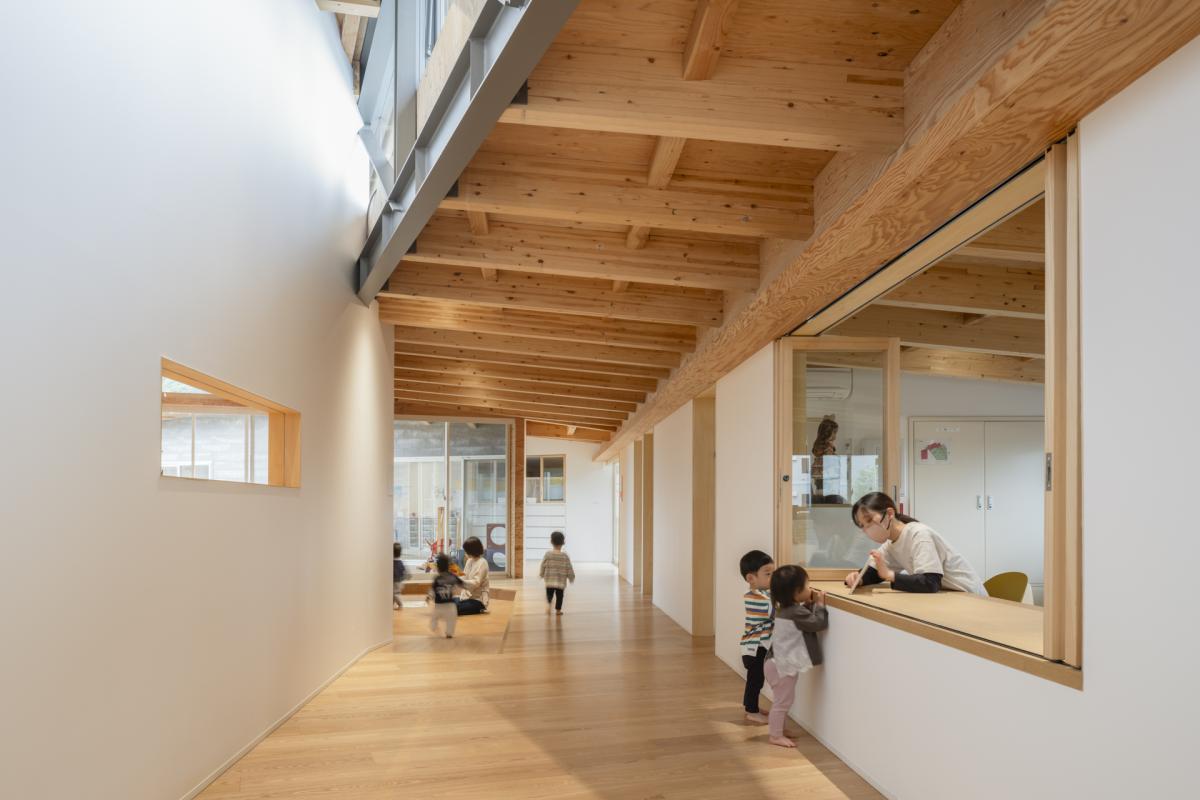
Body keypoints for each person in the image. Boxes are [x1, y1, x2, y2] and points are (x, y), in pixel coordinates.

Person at [844, 492, 986, 595]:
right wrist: (857, 578)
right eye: (862, 526)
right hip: (948, 596)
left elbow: (930, 582)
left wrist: (889, 575)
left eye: (869, 521)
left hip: (970, 596)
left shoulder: (919, 534)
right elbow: (874, 573)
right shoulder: (891, 544)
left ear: (889, 514)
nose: (866, 529)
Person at [764, 565, 828, 748]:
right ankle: (775, 736)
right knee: (783, 702)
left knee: (782, 700)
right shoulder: (795, 612)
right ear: (796, 592)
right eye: (807, 585)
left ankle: (780, 730)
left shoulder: (784, 609)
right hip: (781, 666)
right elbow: (818, 623)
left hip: (774, 663)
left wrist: (808, 605)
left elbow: (802, 618)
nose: (810, 588)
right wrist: (820, 605)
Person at [738, 550, 775, 724]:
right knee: (755, 680)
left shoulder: (763, 593)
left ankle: (751, 706)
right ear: (751, 578)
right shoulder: (756, 597)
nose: (773, 577)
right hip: (755, 648)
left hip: (757, 646)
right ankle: (751, 711)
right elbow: (775, 611)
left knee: (755, 679)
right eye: (768, 574)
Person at [539, 530, 576, 615]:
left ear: (551, 542)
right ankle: (558, 611)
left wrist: (541, 574)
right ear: (563, 542)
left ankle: (549, 605)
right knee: (560, 596)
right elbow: (569, 568)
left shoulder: (548, 554)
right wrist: (571, 577)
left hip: (549, 581)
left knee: (549, 594)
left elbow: (543, 565)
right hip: (560, 582)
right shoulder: (565, 556)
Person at [428, 554, 463, 638]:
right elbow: (462, 584)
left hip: (439, 606)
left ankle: (434, 626)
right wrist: (468, 587)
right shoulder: (452, 577)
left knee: (434, 618)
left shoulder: (437, 578)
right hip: (450, 605)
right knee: (451, 619)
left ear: (438, 568)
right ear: (448, 566)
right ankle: (449, 633)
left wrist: (429, 597)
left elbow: (432, 590)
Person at [455, 536, 490, 615]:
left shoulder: (482, 562)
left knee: (454, 608)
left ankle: (478, 608)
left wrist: (459, 581)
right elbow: (464, 576)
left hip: (477, 600)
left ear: (472, 550)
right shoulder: (469, 561)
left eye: (466, 550)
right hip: (466, 597)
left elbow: (476, 582)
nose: (465, 552)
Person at [810, 417, 842, 504]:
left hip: (821, 481)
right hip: (827, 481)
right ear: (828, 433)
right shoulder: (828, 448)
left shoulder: (820, 447)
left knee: (821, 500)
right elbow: (829, 464)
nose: (835, 435)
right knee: (829, 503)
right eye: (834, 432)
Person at [393, 543, 408, 610]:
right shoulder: (400, 562)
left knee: (395, 594)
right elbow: (404, 572)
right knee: (393, 594)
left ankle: (400, 604)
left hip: (395, 582)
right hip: (399, 582)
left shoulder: (393, 563)